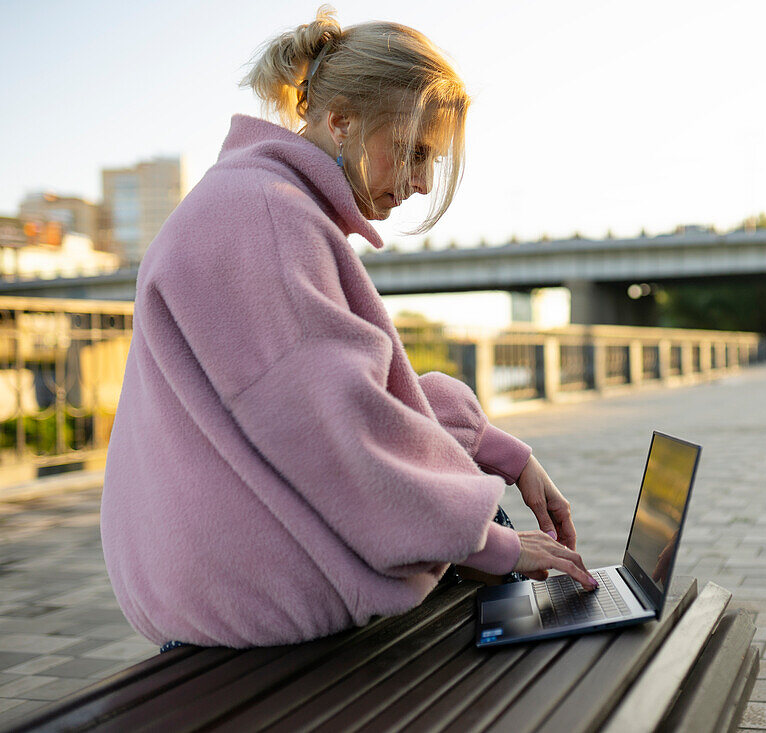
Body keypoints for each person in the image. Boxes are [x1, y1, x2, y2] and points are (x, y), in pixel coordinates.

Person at [100, 6, 595, 649]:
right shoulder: (268, 222)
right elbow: (342, 438)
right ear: (340, 120)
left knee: (473, 516)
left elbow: (358, 401)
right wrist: (496, 545)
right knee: (485, 535)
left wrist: (504, 453)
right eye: (414, 152)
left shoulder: (255, 202)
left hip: (213, 575)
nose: (421, 183)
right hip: (247, 600)